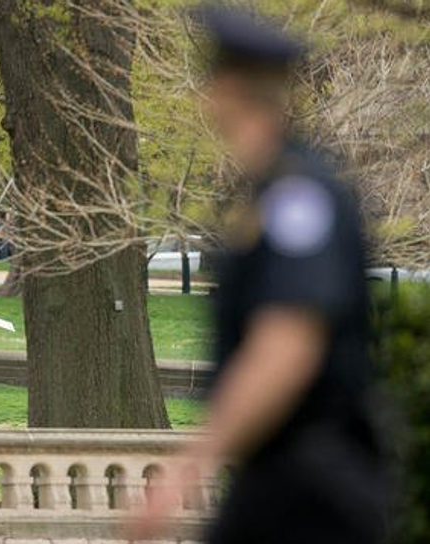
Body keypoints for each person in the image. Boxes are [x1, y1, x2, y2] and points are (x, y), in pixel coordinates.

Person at [134, 6, 390, 544]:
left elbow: (287, 345)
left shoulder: (299, 197)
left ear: (226, 90)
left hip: (314, 491)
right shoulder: (267, 193)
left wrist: (190, 466)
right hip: (278, 484)